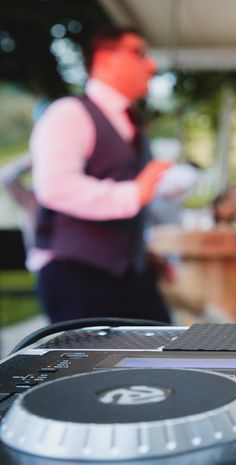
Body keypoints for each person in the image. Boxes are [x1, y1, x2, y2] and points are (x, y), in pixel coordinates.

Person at [30, 27, 172, 323]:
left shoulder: (133, 122)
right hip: (77, 274)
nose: (151, 65)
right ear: (106, 59)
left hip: (131, 274)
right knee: (85, 368)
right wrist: (133, 193)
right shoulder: (69, 112)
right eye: (138, 53)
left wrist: (139, 253)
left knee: (165, 356)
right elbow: (55, 186)